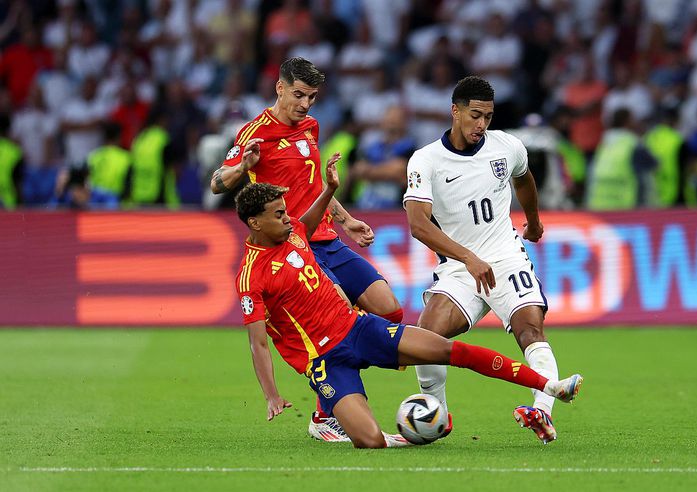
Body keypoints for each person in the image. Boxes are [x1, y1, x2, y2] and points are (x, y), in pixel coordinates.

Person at [235, 159, 583, 449]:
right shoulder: (251, 277)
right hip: (325, 361)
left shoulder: (293, 230)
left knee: (451, 351)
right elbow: (258, 342)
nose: (286, 217)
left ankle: (547, 386)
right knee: (368, 441)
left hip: (360, 329)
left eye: (284, 212)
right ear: (255, 223)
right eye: (278, 214)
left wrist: (329, 189)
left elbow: (307, 221)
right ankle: (399, 434)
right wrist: (271, 395)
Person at [210, 57, 404, 442]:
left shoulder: (310, 128)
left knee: (388, 308)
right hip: (295, 246)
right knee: (338, 324)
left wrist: (346, 220)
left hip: (328, 237)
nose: (305, 104)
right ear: (280, 88)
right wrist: (241, 167)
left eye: (312, 97)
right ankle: (324, 412)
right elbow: (218, 182)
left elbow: (313, 184)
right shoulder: (255, 134)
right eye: (299, 94)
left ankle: (336, 393)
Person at [404, 76, 569, 445]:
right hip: (460, 268)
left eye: (488, 117)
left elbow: (523, 179)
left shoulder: (507, 146)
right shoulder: (427, 160)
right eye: (475, 115)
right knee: (425, 339)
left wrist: (535, 221)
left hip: (506, 258)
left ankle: (542, 410)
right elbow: (417, 224)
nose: (481, 124)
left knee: (531, 331)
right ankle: (436, 416)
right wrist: (468, 258)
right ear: (455, 111)